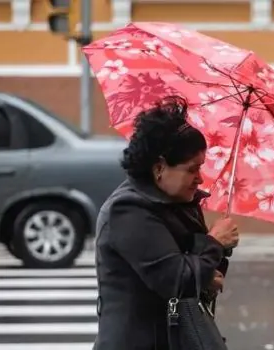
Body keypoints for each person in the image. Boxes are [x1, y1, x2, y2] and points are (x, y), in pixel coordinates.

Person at [93, 95, 240, 350]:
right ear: (159, 167)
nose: (200, 179)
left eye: (202, 167)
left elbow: (194, 269)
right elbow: (175, 279)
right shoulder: (127, 211)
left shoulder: (177, 204)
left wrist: (213, 269)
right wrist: (215, 243)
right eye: (192, 169)